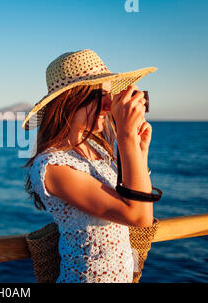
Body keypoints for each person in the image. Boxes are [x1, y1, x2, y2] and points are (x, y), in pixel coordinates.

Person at [23, 49, 157, 283]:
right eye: (101, 95)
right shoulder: (52, 165)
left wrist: (138, 149)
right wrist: (125, 137)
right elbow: (139, 216)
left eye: (110, 94)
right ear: (70, 101)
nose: (109, 105)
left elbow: (135, 198)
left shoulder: (98, 149)